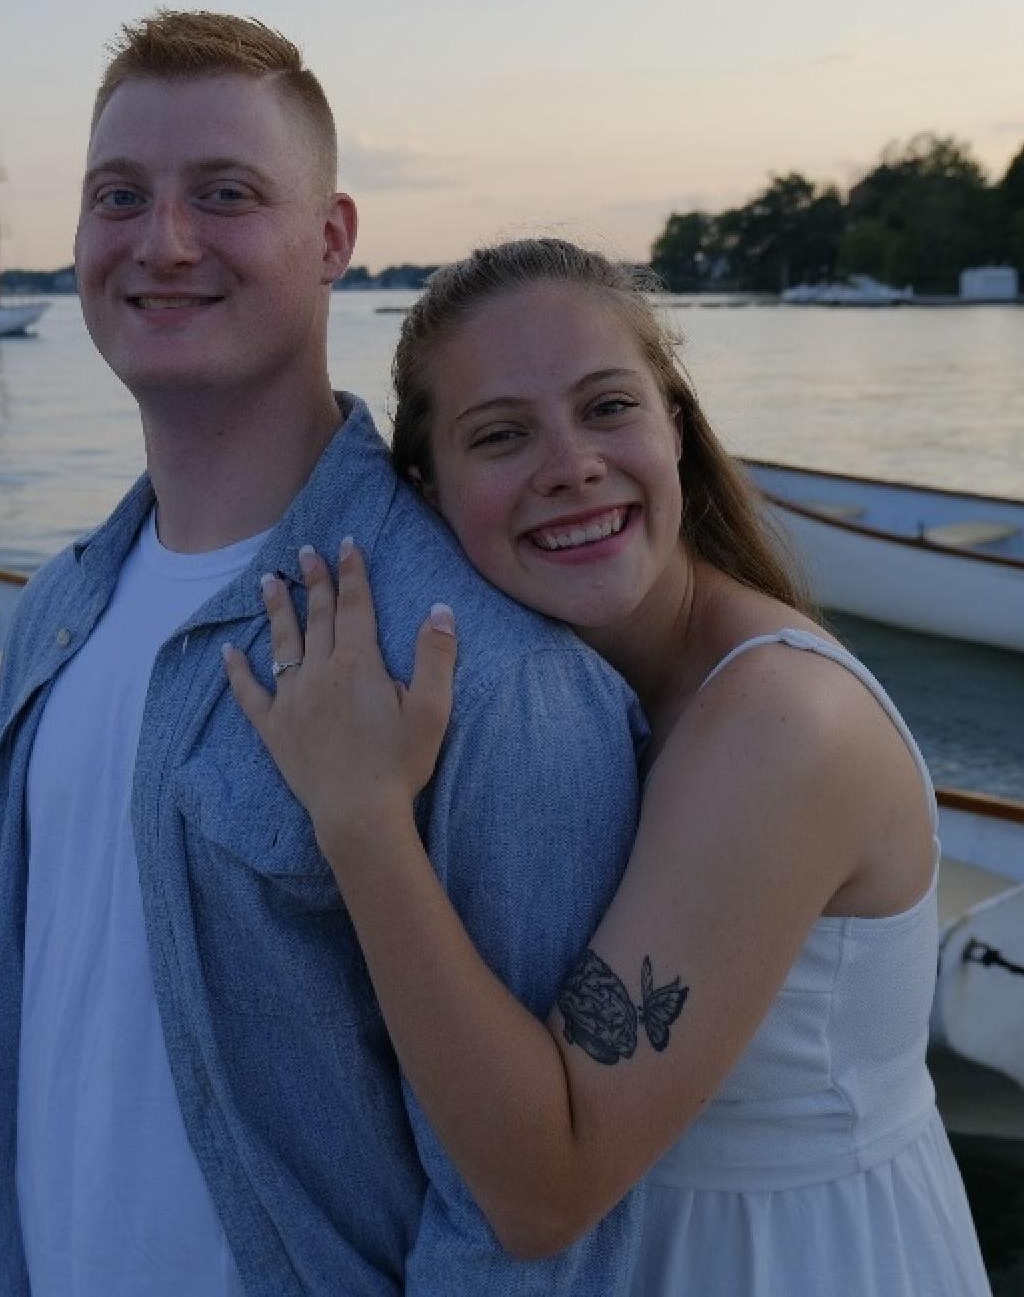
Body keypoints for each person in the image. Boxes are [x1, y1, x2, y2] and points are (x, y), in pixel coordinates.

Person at [0, 22, 647, 1294]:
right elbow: (29, 1044)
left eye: (226, 194)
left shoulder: (481, 666)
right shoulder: (54, 613)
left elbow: (525, 1225)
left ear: (331, 239)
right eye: (119, 197)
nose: (162, 243)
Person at [226, 237, 991, 1294]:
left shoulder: (778, 722)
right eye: (501, 436)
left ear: (675, 424)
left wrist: (361, 822)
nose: (571, 465)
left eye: (607, 408)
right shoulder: (558, 695)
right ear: (429, 492)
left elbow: (544, 1193)